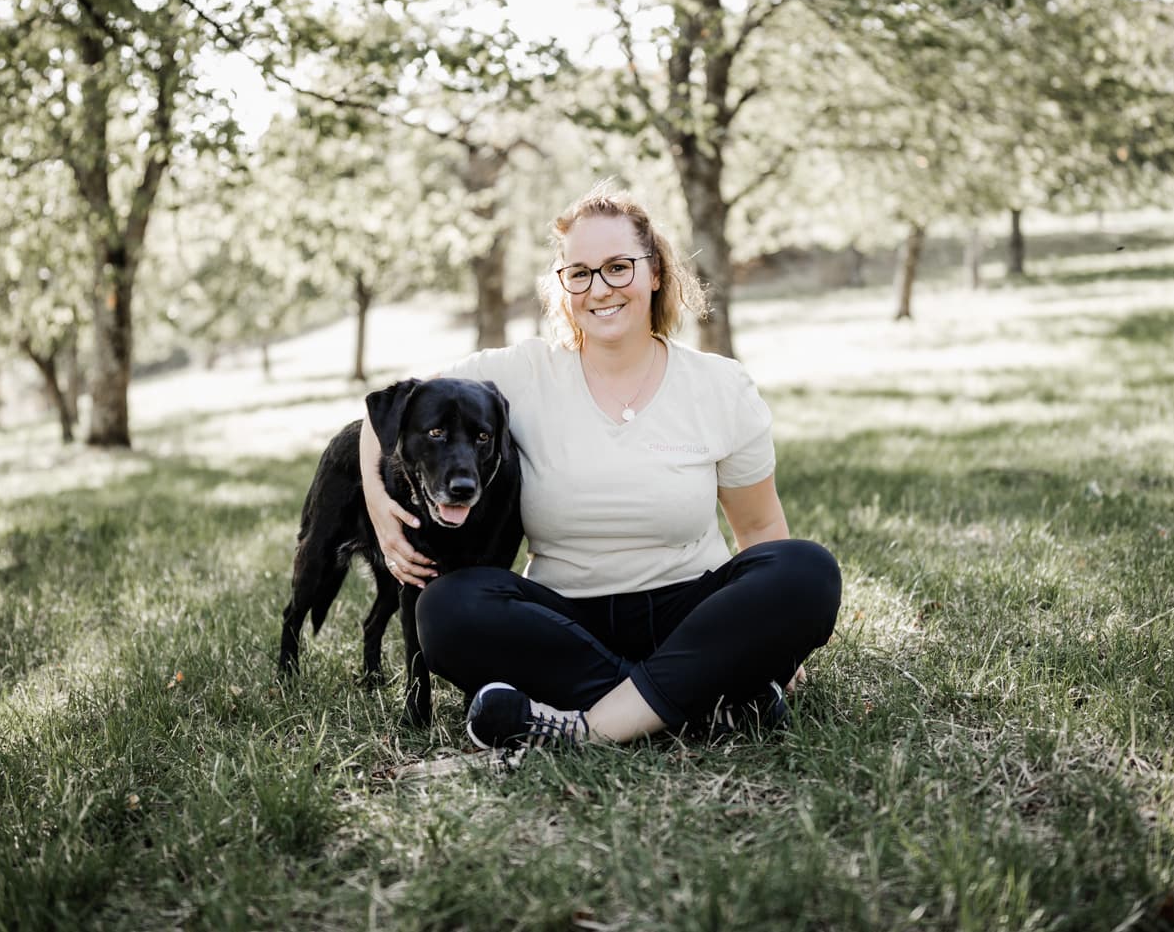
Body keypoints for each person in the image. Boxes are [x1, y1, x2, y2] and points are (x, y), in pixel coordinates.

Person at [360, 184, 841, 750]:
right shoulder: (522, 372)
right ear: (563, 285)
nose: (600, 289)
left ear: (655, 272)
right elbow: (386, 414)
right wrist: (380, 509)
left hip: (691, 611)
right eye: (580, 273)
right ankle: (706, 705)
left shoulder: (719, 386)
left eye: (618, 268)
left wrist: (775, 634)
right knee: (446, 609)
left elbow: (759, 529)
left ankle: (584, 727)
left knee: (805, 570)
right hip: (563, 622)